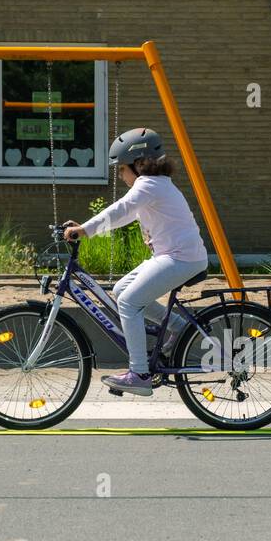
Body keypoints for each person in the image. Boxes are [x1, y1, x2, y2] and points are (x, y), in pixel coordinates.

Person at [63, 128, 208, 397]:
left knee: (129, 301)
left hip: (180, 258)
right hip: (177, 255)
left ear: (140, 163)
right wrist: (88, 228)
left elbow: (121, 209)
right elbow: (128, 215)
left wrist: (85, 229)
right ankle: (177, 328)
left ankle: (139, 373)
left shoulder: (149, 184)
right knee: (120, 291)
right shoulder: (157, 184)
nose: (120, 175)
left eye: (122, 169)